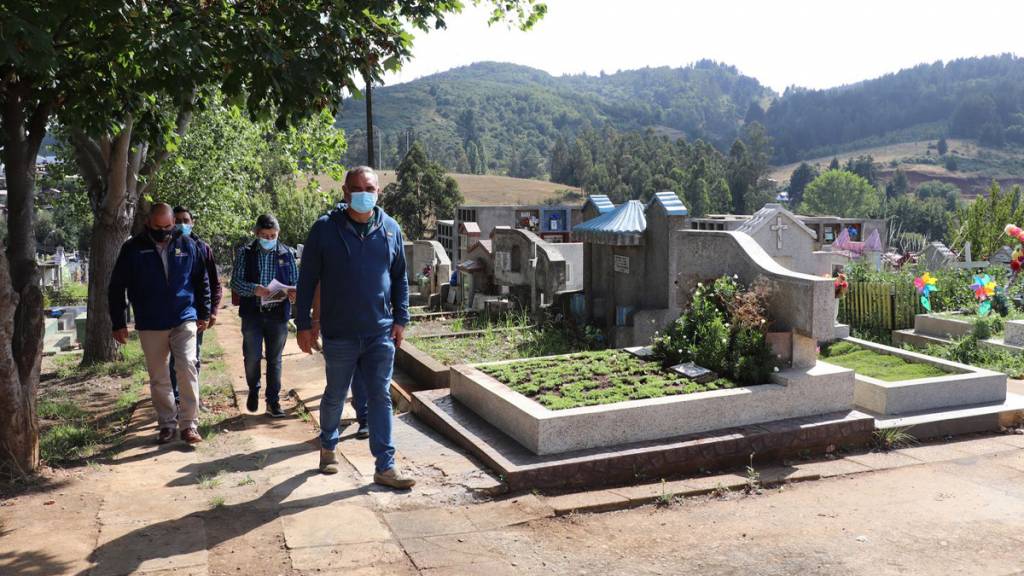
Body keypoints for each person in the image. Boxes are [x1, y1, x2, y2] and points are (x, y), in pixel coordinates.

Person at [295, 165, 414, 489]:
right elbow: (307, 280)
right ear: (345, 193)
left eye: (370, 189)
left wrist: (401, 318)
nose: (364, 195)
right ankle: (328, 446)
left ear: (378, 193)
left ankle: (385, 466)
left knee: (380, 397)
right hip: (340, 334)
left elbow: (400, 276)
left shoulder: (390, 229)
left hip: (379, 332)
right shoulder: (324, 230)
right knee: (335, 394)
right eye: (357, 189)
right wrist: (304, 324)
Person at [109, 202, 211, 445]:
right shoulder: (133, 248)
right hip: (150, 320)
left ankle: (189, 424)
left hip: (183, 316)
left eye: (168, 227)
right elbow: (116, 287)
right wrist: (118, 322)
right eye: (158, 227)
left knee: (187, 366)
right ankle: (167, 424)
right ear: (148, 223)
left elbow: (201, 279)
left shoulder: (187, 244)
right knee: (159, 376)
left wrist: (204, 312)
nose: (164, 231)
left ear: (173, 224)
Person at [231, 214, 298, 418]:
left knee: (274, 359)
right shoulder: (246, 253)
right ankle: (253, 388)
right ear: (256, 233)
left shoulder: (287, 254)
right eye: (264, 235)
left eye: (273, 235)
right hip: (253, 314)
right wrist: (254, 289)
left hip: (278, 315)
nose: (269, 239)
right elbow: (235, 282)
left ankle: (273, 401)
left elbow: (296, 281)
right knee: (252, 357)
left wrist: (294, 293)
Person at [169, 206, 222, 405]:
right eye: (178, 220)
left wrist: (212, 311)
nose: (182, 224)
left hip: (195, 313)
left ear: (193, 222)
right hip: (168, 313)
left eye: (186, 220)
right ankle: (175, 400)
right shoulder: (166, 246)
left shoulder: (202, 248)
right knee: (172, 361)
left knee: (192, 358)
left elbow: (213, 282)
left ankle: (192, 400)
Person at [312, 283, 370, 440]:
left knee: (361, 374)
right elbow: (318, 285)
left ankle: (364, 418)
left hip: (366, 321)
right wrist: (314, 320)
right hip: (336, 325)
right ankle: (329, 436)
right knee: (336, 387)